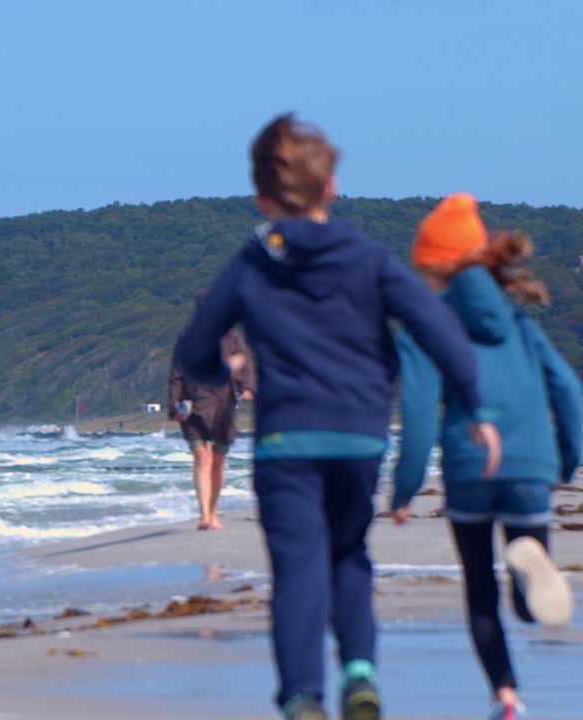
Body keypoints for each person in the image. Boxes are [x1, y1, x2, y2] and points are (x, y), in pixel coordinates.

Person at [174, 113, 502, 720]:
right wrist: (476, 407)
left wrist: (219, 376)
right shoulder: (369, 259)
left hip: (286, 440)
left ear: (262, 197)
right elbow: (438, 330)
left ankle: (302, 696)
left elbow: (195, 348)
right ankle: (359, 670)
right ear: (332, 188)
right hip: (357, 436)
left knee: (298, 567)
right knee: (348, 553)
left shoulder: (253, 263)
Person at [391, 193, 580, 720]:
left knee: (479, 591)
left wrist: (404, 489)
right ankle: (529, 578)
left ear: (434, 267)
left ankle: (507, 698)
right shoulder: (518, 321)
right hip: (531, 464)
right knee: (525, 584)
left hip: (469, 466)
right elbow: (566, 389)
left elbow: (421, 417)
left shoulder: (426, 325)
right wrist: (568, 461)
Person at [168, 303, 256, 530]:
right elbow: (176, 374)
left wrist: (247, 387)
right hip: (193, 406)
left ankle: (213, 510)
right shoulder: (188, 338)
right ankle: (205, 515)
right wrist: (174, 405)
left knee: (218, 461)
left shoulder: (233, 337)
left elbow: (244, 364)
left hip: (224, 407)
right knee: (201, 456)